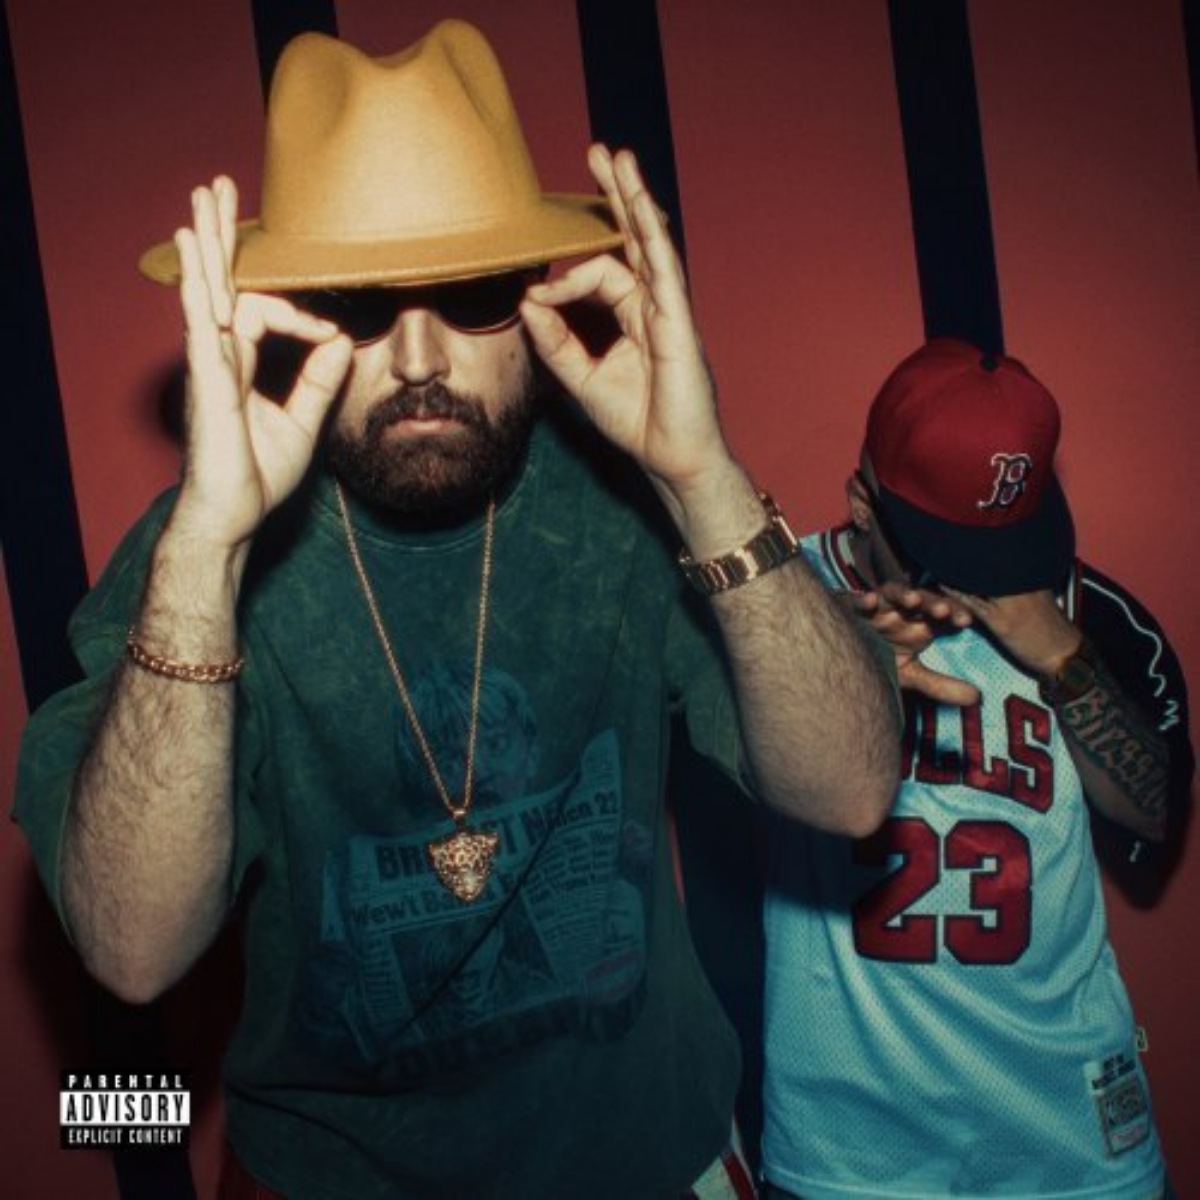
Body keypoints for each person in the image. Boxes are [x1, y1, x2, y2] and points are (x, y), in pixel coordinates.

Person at [13, 20, 900, 1199]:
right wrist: (207, 555)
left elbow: (852, 793)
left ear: (539, 299)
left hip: (650, 1160)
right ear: (286, 314)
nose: (420, 358)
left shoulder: (631, 504)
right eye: (360, 304)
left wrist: (704, 479)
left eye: (471, 293)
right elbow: (131, 954)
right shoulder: (193, 560)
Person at [760, 338, 1193, 1198]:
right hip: (851, 1150)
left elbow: (1155, 813)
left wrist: (1062, 656)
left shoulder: (1090, 613)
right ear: (860, 504)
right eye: (942, 556)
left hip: (1070, 1139)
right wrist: (833, 651)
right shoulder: (780, 606)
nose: (970, 591)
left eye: (1001, 549)